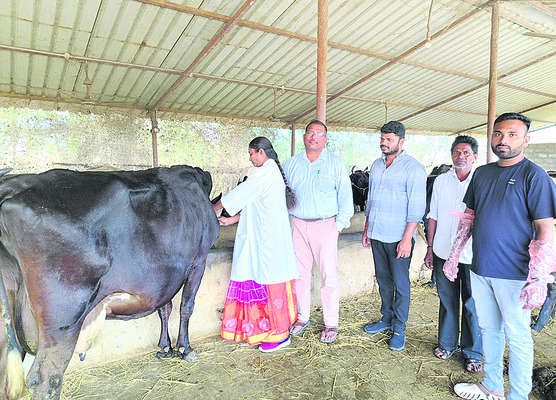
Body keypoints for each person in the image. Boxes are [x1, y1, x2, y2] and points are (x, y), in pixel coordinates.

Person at [445, 113, 556, 400]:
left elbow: (545, 230)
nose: (503, 140)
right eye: (498, 134)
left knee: (518, 337)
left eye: (512, 134)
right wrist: (454, 255)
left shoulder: (535, 176)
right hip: (480, 268)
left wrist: (539, 278)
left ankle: (518, 395)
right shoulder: (482, 173)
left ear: (526, 140)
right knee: (489, 329)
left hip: (515, 274)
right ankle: (491, 385)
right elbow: (469, 218)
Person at [213, 137, 299, 353]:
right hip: (266, 239)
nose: (250, 158)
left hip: (268, 243)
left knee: (270, 282)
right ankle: (270, 330)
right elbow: (256, 207)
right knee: (265, 282)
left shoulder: (264, 173)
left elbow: (239, 195)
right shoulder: (270, 173)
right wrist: (232, 220)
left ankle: (280, 335)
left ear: (262, 152)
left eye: (252, 153)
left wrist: (212, 207)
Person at [284, 120, 354, 344]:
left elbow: (345, 198)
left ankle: (331, 322)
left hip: (325, 225)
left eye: (318, 134)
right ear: (304, 137)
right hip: (296, 224)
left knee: (328, 276)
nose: (313, 137)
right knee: (299, 274)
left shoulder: (335, 163)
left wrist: (337, 227)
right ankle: (302, 317)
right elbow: (284, 196)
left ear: (325, 139)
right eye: (310, 133)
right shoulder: (292, 164)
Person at [362, 120, 427, 351]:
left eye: (389, 140)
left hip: (399, 237)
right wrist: (367, 228)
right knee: (383, 280)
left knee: (400, 284)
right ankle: (386, 318)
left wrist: (407, 239)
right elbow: (371, 200)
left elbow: (417, 207)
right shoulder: (377, 165)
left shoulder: (413, 168)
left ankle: (399, 328)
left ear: (401, 141)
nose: (384, 143)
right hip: (378, 233)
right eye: (382, 139)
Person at [424, 135, 483, 372]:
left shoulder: (482, 181)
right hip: (441, 250)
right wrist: (429, 248)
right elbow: (433, 216)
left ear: (475, 157)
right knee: (447, 300)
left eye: (466, 153)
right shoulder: (441, 181)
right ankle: (447, 344)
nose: (461, 157)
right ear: (452, 155)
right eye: (457, 152)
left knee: (472, 303)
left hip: (472, 254)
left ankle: (473, 352)